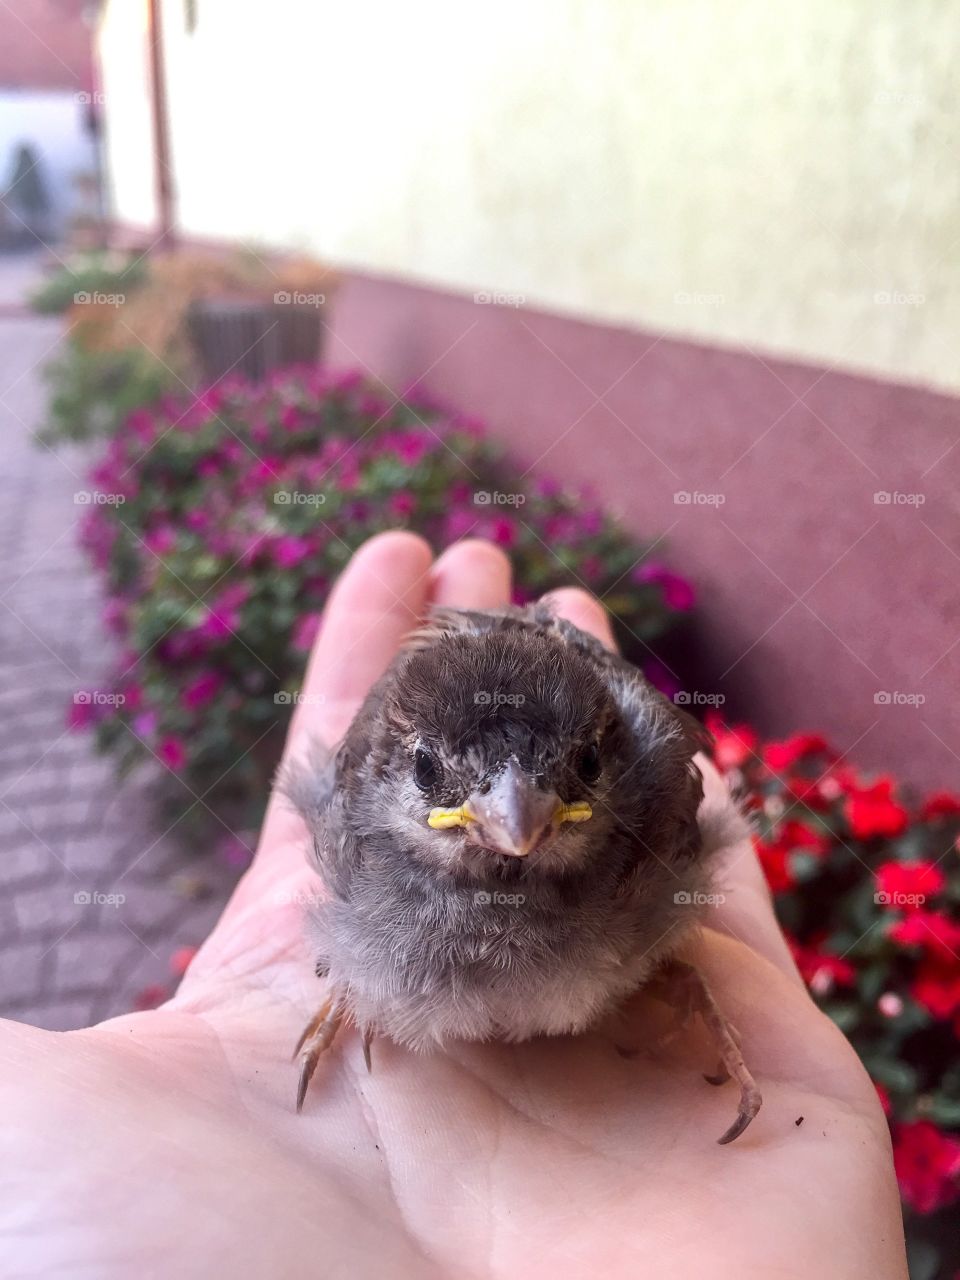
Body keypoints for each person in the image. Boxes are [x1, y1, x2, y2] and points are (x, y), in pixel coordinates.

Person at [0, 533, 908, 1278]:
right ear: (396, 770)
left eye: (576, 774)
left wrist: (672, 967)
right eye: (439, 776)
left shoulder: (654, 783)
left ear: (607, 761)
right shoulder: (364, 815)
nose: (517, 819)